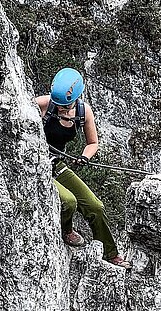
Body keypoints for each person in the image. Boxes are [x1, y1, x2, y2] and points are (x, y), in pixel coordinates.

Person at [36, 67, 132, 270]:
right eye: (59, 105)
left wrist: (84, 157)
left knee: (95, 206)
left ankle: (111, 254)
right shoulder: (44, 105)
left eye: (65, 105)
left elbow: (92, 143)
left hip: (55, 163)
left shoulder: (82, 112)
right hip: (35, 163)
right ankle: (66, 231)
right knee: (68, 202)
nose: (61, 109)